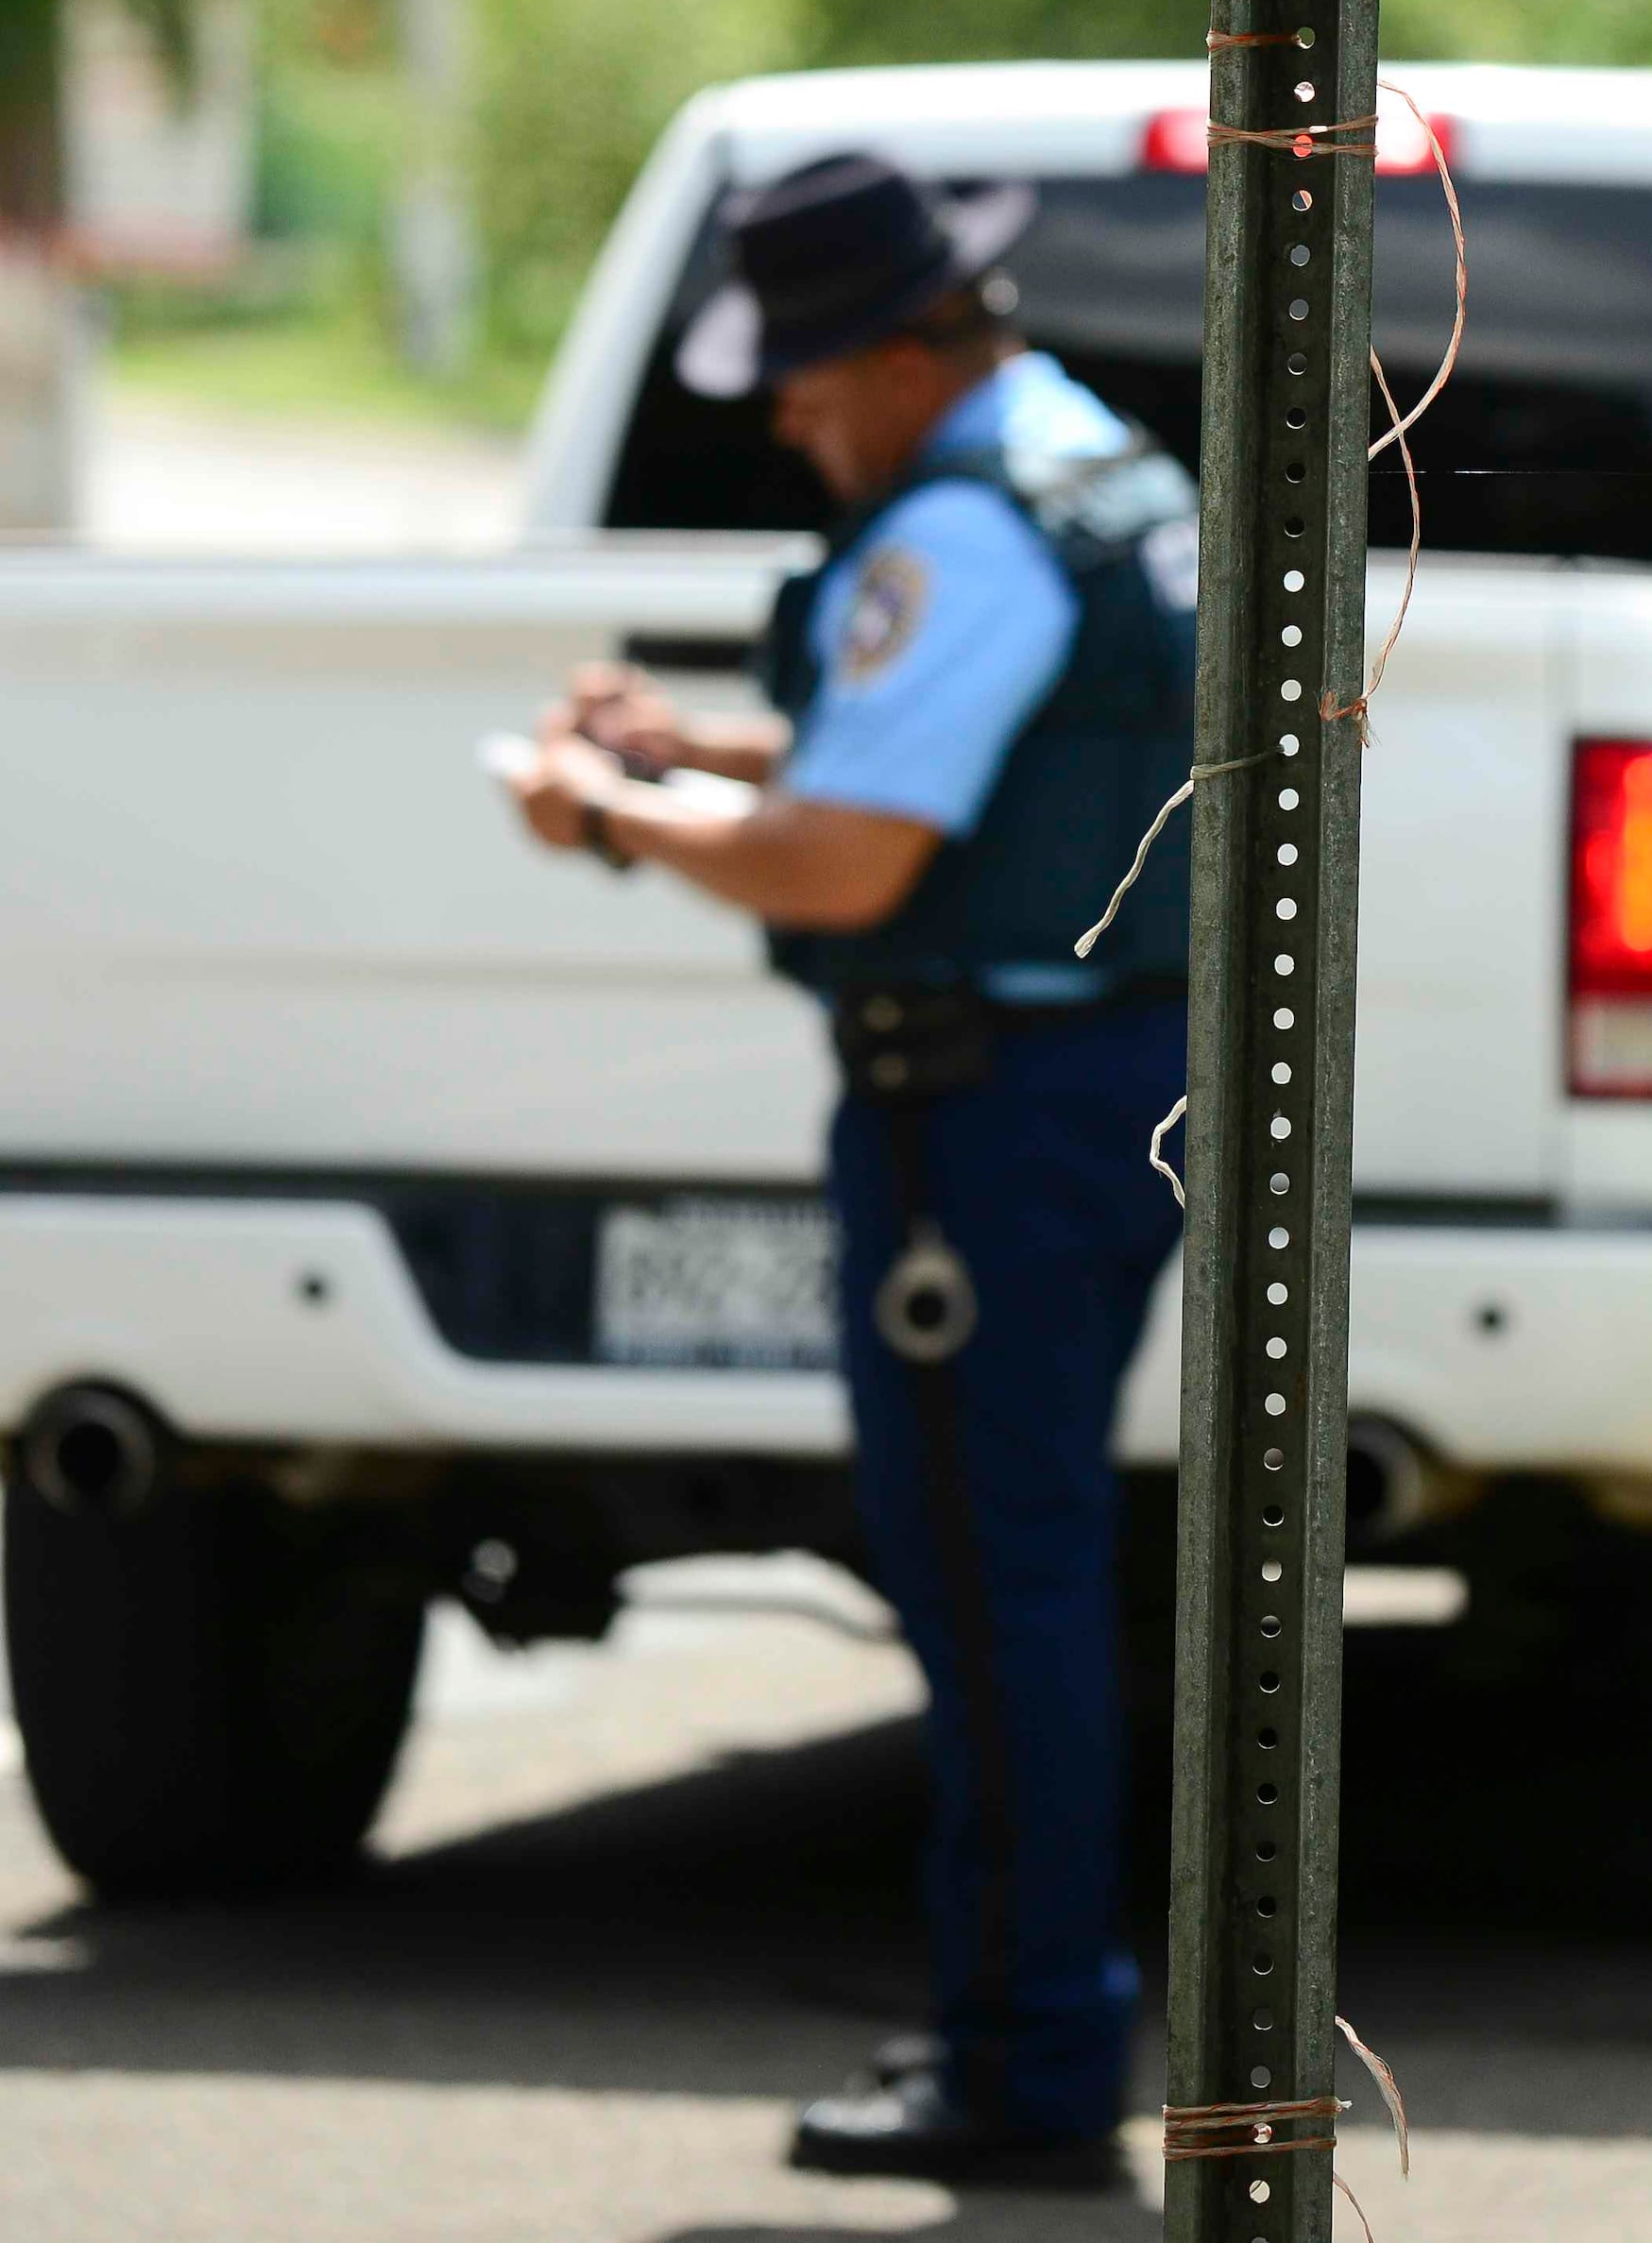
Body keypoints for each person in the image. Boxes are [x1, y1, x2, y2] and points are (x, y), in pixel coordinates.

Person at [508, 151, 1196, 2190]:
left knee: (997, 1581)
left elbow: (848, 855)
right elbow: (938, 758)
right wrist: (702, 747)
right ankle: (1027, 2021)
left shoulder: (962, 528)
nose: (792, 416)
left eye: (807, 377)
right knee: (1024, 1569)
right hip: (1084, 1081)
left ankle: (1026, 2061)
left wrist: (612, 810)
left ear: (908, 350)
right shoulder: (1079, 463)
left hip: (987, 1108)